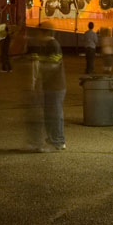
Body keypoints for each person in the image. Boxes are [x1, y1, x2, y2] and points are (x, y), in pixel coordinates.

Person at [33, 23, 66, 151]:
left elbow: (53, 65)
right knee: (52, 113)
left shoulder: (53, 45)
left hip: (55, 86)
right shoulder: (48, 45)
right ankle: (55, 139)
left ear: (44, 33)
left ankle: (57, 141)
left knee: (54, 114)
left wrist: (39, 66)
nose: (36, 36)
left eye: (38, 33)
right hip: (52, 86)